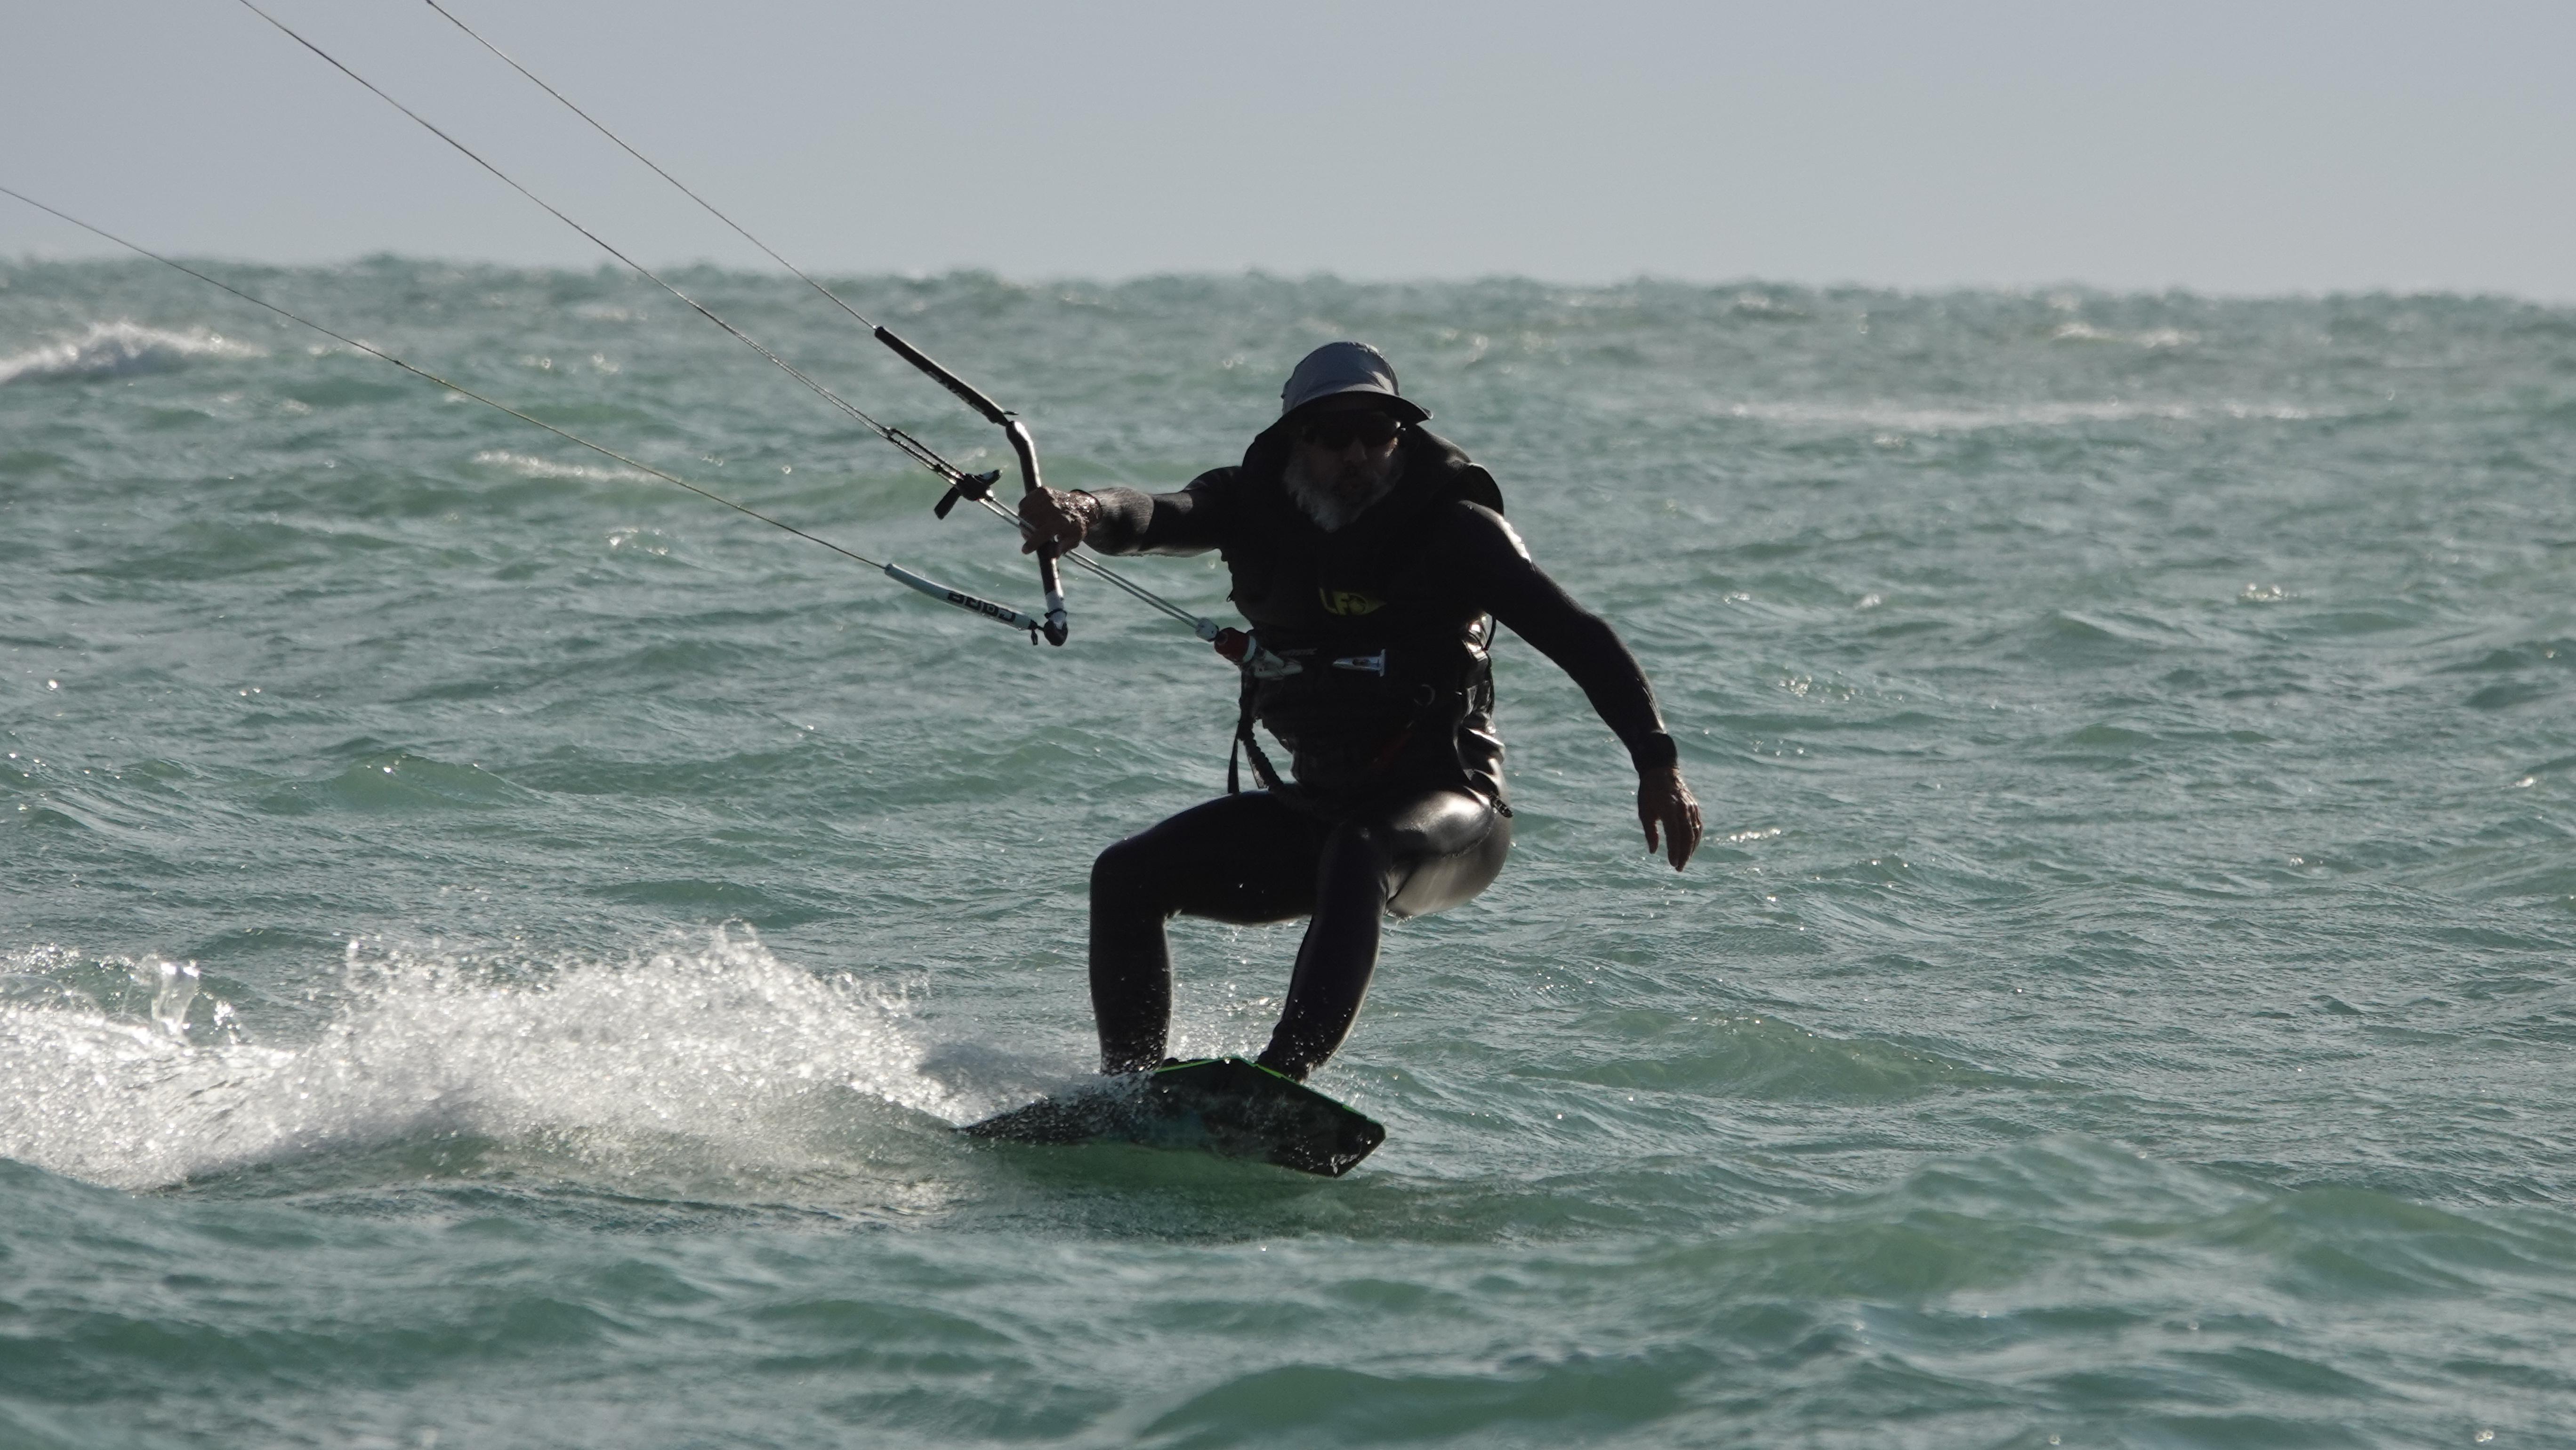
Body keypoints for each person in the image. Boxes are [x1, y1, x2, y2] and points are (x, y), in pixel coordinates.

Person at [1019, 341, 1700, 1081]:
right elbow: (1156, 515)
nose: (1358, 455)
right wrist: (1081, 511)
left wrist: (1657, 763)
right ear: (1294, 441)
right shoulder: (1252, 506)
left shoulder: (1455, 530)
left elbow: (1581, 637)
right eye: (1333, 434)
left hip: (1451, 807)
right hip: (1320, 806)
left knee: (1363, 848)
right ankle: (1131, 1090)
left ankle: (1279, 1083)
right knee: (1126, 875)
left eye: (1378, 433)